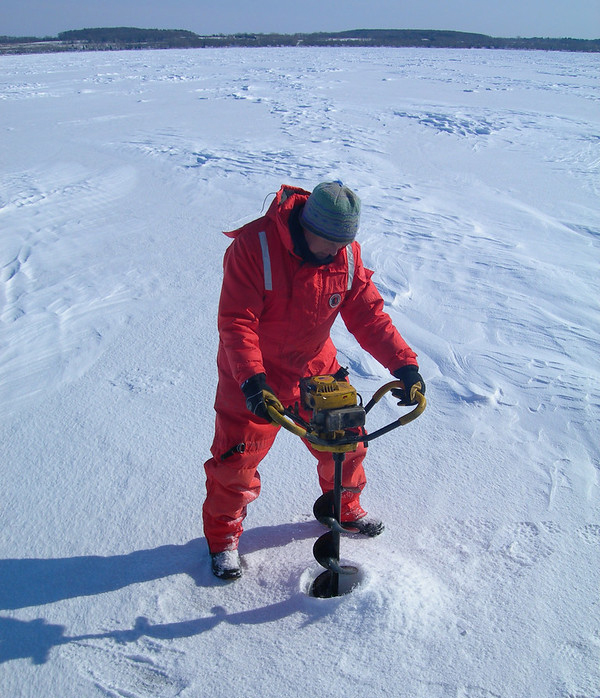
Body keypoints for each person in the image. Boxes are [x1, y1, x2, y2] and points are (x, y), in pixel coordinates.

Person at [203, 181, 425, 580]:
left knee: (347, 443)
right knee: (236, 462)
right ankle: (224, 539)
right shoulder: (255, 248)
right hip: (255, 374)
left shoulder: (345, 255)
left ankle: (343, 507)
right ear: (306, 226)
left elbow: (368, 315)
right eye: (327, 243)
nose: (333, 254)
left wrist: (404, 365)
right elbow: (237, 323)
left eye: (342, 245)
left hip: (315, 369)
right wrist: (253, 381)